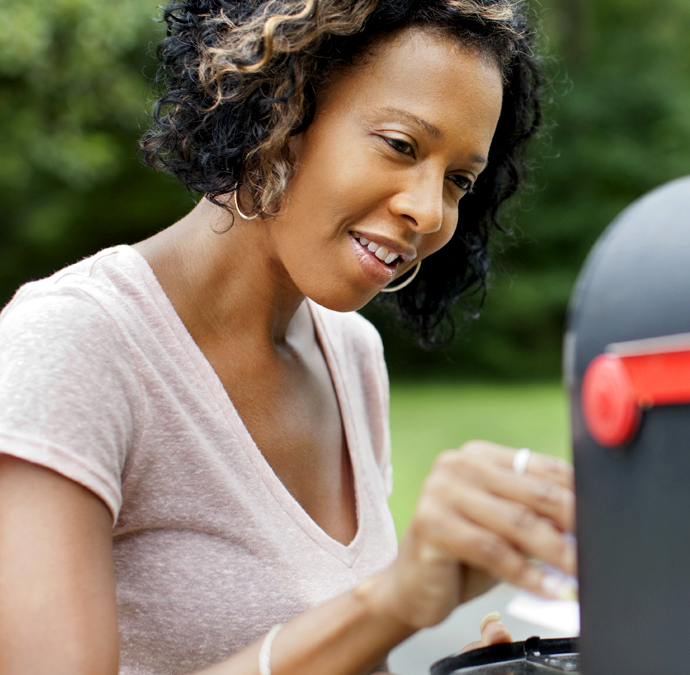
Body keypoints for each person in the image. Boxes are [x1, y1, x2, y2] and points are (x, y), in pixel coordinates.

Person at [0, 1, 576, 673]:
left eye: (458, 180)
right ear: (281, 107)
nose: (427, 209)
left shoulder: (350, 355)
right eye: (401, 145)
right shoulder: (71, 342)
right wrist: (386, 605)